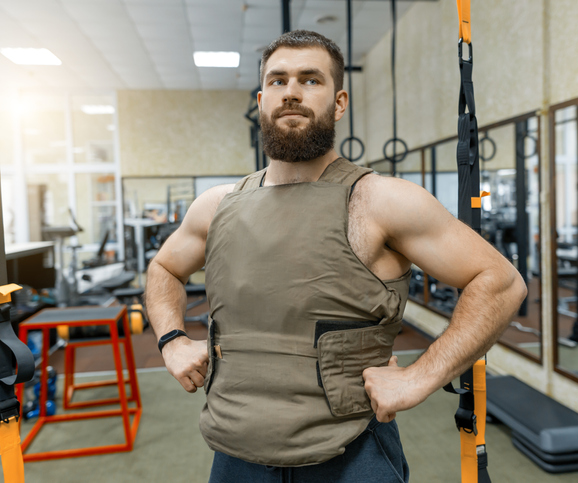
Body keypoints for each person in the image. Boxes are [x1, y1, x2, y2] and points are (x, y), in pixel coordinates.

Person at [146, 29, 527, 483]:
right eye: (277, 81)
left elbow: (500, 282)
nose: (291, 92)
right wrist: (171, 340)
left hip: (350, 453)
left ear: (339, 102)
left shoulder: (381, 200)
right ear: (262, 99)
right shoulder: (216, 205)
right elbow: (164, 268)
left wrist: (420, 377)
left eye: (310, 80)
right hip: (234, 451)